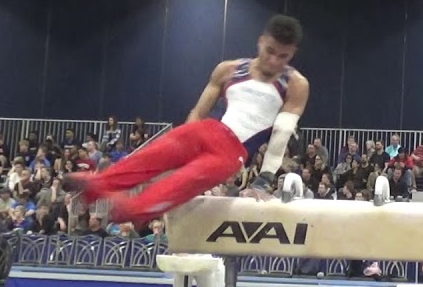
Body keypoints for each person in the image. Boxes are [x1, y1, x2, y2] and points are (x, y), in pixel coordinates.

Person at [67, 15, 309, 223]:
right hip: (207, 130)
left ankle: (135, 209)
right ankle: (101, 183)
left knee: (181, 184)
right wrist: (182, 152)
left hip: (231, 153)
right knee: (151, 155)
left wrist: (263, 180)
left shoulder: (296, 84)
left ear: (293, 54)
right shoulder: (229, 69)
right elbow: (198, 112)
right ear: (261, 41)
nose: (275, 61)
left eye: (283, 56)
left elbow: (281, 135)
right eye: (270, 51)